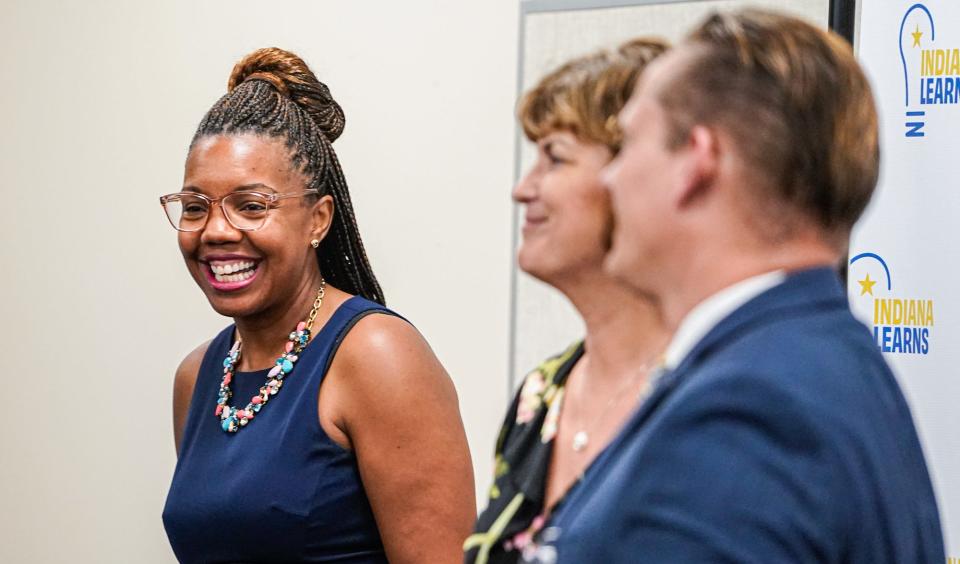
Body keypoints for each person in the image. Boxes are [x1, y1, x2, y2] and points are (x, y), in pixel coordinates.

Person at [524, 10, 946, 563]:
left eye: (627, 146)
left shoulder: (750, 405)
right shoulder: (818, 358)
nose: (610, 178)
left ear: (697, 162)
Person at [160, 47, 475, 563]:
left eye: (251, 206)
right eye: (195, 207)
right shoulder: (198, 377)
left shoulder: (376, 356)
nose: (216, 230)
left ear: (318, 220)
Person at [464, 39, 669, 564]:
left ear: (636, 177)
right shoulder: (542, 394)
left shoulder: (703, 395)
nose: (522, 189)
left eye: (554, 157)